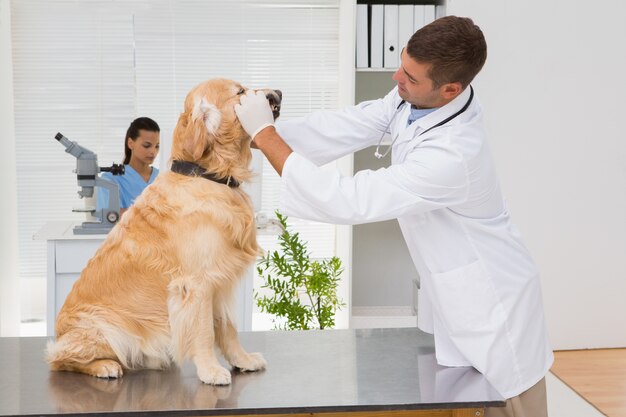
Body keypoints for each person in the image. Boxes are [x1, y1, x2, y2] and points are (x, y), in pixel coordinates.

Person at [235, 16, 552, 417]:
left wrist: (265, 135)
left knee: (508, 403)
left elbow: (349, 199)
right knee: (464, 403)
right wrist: (255, 132)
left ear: (450, 89)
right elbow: (349, 124)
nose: (395, 77)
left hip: (494, 305)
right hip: (456, 291)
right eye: (401, 63)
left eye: (410, 76)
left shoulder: (454, 154)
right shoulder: (415, 97)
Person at [97, 117, 160, 216]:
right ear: (130, 143)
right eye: (147, 145)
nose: (153, 151)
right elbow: (110, 216)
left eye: (157, 146)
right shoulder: (110, 180)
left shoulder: (163, 179)